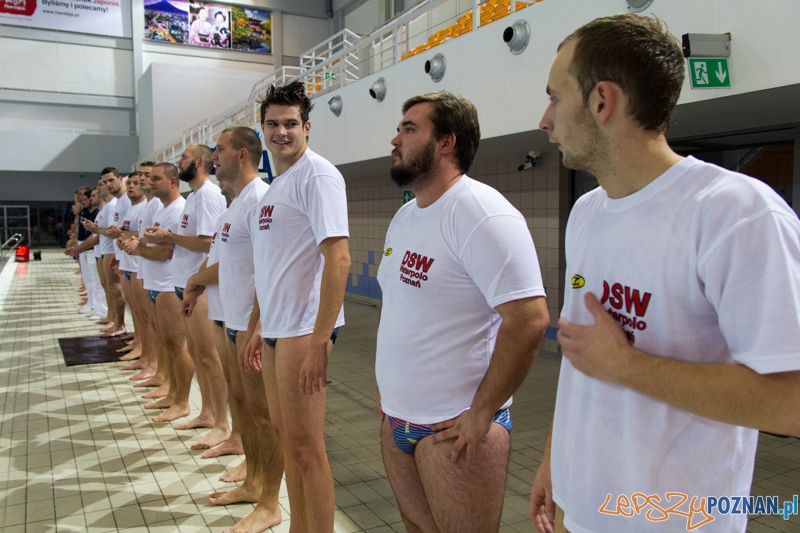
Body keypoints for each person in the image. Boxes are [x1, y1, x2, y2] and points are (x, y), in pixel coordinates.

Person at [529, 14, 800, 533]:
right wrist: (555, 464)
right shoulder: (587, 213)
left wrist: (628, 365)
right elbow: (582, 360)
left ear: (601, 102)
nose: (545, 119)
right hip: (579, 513)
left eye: (554, 97)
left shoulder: (733, 213)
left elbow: (789, 402)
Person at [375, 91, 550, 532]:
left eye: (409, 129)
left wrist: (482, 411)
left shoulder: (480, 213)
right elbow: (402, 307)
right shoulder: (407, 216)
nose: (395, 139)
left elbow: (529, 319)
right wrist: (391, 389)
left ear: (447, 142)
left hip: (453, 432)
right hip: (397, 418)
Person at [243, 81, 351, 532]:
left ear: (307, 126)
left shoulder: (317, 175)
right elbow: (275, 267)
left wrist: (322, 338)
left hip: (304, 330)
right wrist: (257, 325)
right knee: (287, 440)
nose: (281, 132)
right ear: (262, 128)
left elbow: (339, 257)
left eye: (291, 123)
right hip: (276, 327)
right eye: (273, 123)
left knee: (307, 449)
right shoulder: (276, 187)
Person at [185, 127, 284, 532]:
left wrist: (257, 325)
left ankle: (270, 502)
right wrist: (195, 282)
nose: (213, 156)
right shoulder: (235, 204)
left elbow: (267, 266)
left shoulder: (258, 198)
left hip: (250, 323)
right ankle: (253, 482)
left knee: (263, 418)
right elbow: (232, 265)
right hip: (232, 319)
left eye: (219, 150)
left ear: (242, 155)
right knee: (244, 410)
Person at [146, 145, 229, 450]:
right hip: (186, 286)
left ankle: (222, 422)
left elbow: (207, 243)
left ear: (199, 161)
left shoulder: (207, 195)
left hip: (200, 288)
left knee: (209, 357)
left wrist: (169, 238)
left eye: (182, 157)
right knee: (197, 354)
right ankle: (207, 413)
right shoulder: (194, 197)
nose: (178, 162)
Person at [122, 163, 190, 423]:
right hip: (157, 283)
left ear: (172, 182)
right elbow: (152, 244)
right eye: (149, 179)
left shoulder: (176, 210)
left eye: (156, 179)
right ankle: (172, 391)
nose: (150, 183)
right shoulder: (163, 210)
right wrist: (135, 244)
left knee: (177, 346)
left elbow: (166, 252)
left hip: (168, 285)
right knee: (166, 342)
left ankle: (182, 401)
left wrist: (137, 250)